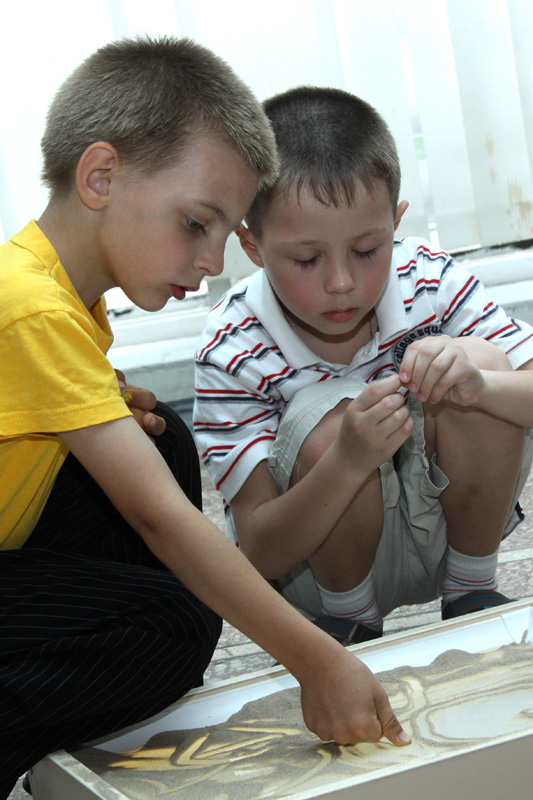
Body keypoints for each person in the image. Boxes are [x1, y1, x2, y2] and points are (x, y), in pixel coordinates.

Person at [0, 42, 412, 800]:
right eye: (196, 224)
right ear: (100, 177)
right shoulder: (28, 307)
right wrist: (316, 660)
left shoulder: (54, 296)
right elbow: (157, 519)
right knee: (177, 623)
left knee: (163, 439)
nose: (215, 260)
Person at [194, 86, 533, 648]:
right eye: (306, 259)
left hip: (451, 534)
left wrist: (480, 386)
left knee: (479, 364)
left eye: (368, 250)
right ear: (252, 247)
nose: (341, 282)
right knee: (325, 416)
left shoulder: (427, 277)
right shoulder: (233, 346)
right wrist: (346, 461)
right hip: (314, 571)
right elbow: (258, 552)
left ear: (396, 225)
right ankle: (352, 622)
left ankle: (472, 591)